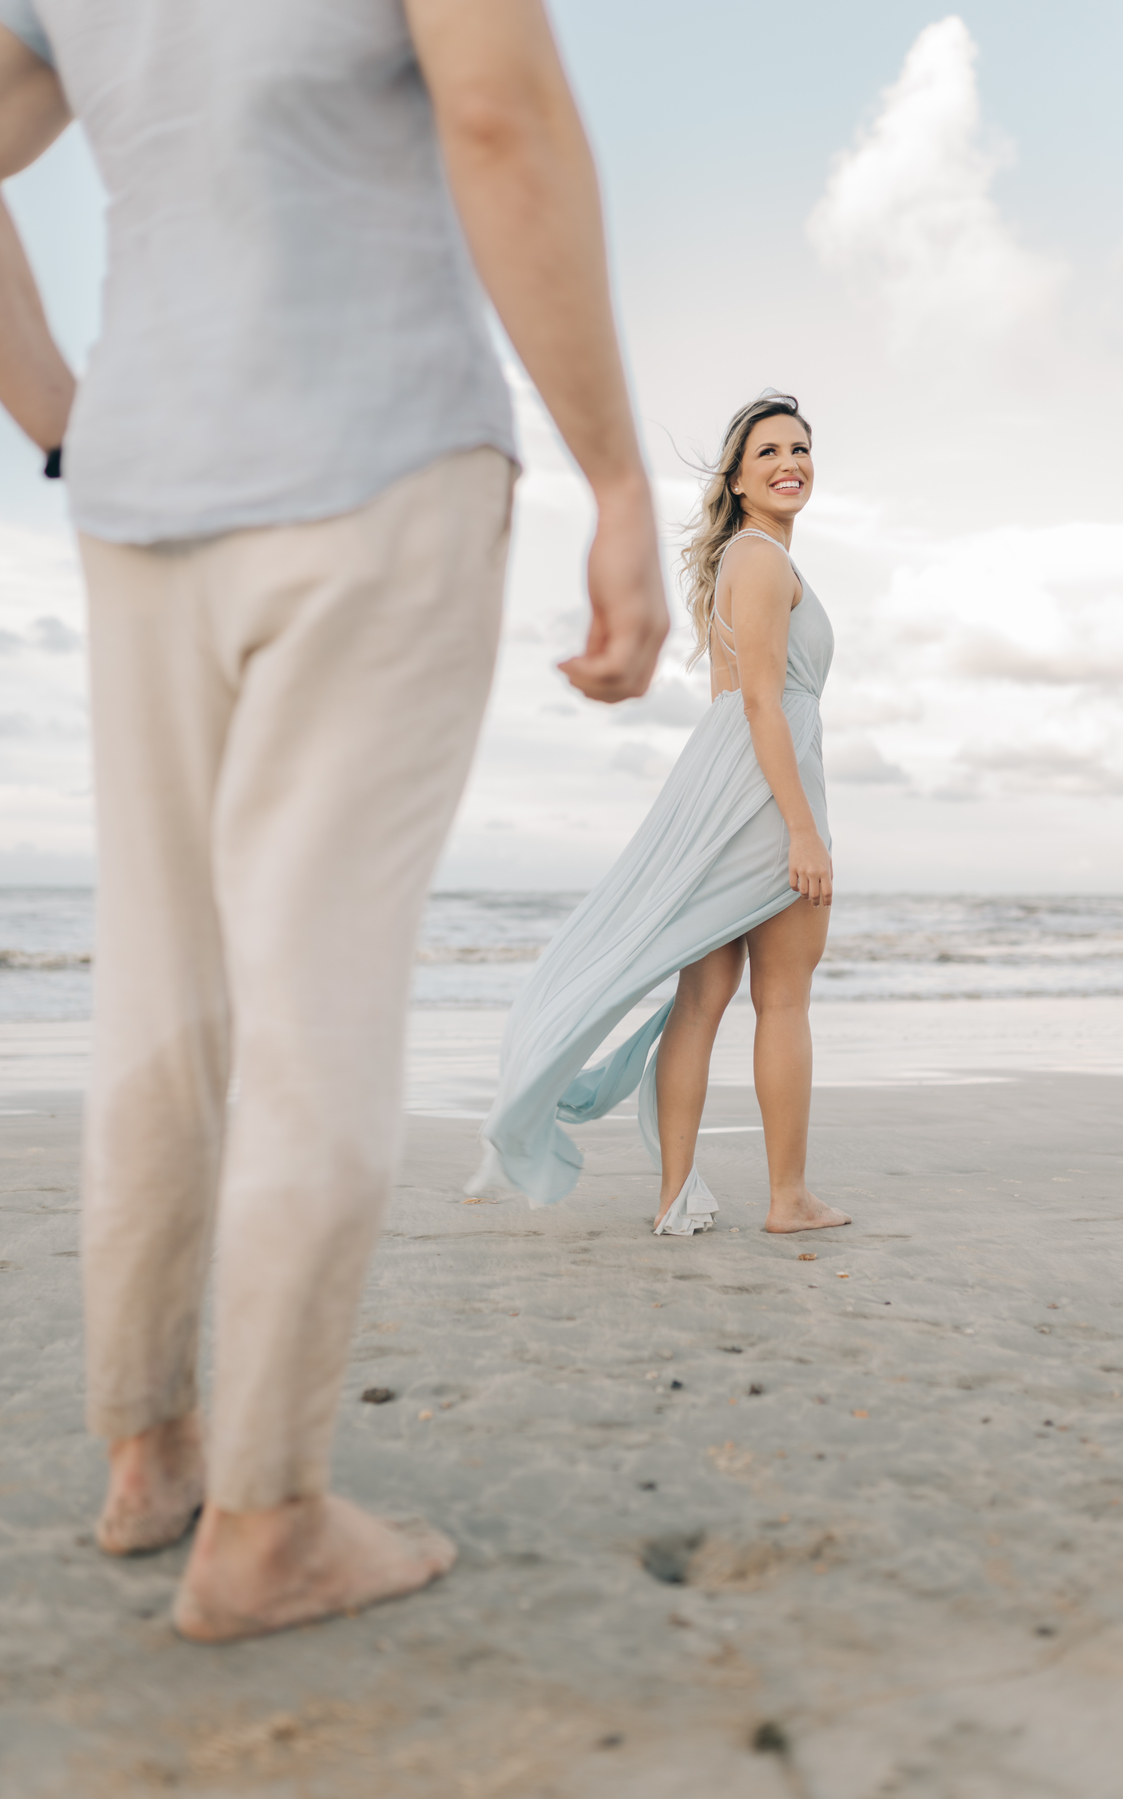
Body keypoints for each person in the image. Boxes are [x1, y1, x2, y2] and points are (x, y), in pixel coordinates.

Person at [0, 0, 668, 1641]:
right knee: (321, 1000)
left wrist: (62, 412)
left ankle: (151, 1448)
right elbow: (500, 116)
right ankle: (269, 1522)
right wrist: (620, 480)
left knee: (158, 988)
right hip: (374, 452)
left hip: (140, 480)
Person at [470, 392, 849, 1238]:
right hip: (764, 794)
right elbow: (761, 704)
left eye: (800, 448)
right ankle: (788, 1199)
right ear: (738, 480)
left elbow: (738, 704)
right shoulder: (762, 560)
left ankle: (677, 1197)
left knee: (702, 997)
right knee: (782, 999)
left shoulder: (745, 560)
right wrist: (801, 827)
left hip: (728, 789)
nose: (790, 462)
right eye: (768, 452)